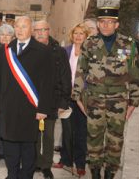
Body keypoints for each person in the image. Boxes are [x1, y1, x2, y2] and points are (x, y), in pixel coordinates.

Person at [72, 7, 139, 179]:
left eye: (110, 22)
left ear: (116, 24)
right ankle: (95, 172)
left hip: (118, 100)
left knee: (115, 140)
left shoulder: (128, 44)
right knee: (94, 138)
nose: (105, 25)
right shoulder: (90, 43)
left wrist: (133, 102)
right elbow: (81, 71)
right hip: (94, 99)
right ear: (98, 24)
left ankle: (110, 172)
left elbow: (135, 72)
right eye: (102, 22)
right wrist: (77, 97)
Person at [0, 16, 54, 179]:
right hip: (8, 107)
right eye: (17, 26)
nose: (19, 30)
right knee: (10, 145)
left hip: (30, 109)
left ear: (31, 30)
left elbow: (48, 83)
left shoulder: (42, 51)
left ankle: (26, 176)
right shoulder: (6, 50)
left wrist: (43, 109)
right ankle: (12, 174)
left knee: (27, 147)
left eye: (24, 27)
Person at [33, 20, 72, 179]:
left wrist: (64, 102)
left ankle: (46, 165)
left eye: (44, 30)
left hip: (51, 100)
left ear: (49, 31)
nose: (40, 33)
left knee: (48, 135)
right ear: (33, 32)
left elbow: (65, 76)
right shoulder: (28, 49)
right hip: (32, 99)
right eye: (37, 30)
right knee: (33, 134)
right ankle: (35, 161)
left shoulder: (59, 51)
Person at [54, 23, 90, 176]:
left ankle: (80, 163)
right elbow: (60, 73)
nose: (78, 36)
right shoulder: (65, 51)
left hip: (83, 98)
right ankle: (66, 159)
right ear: (72, 35)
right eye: (76, 33)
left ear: (86, 36)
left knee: (81, 131)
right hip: (67, 97)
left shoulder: (90, 52)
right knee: (66, 130)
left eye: (81, 33)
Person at [0, 24, 15, 163]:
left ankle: (10, 151)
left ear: (12, 37)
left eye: (8, 35)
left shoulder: (16, 51)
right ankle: (0, 151)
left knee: (11, 124)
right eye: (2, 34)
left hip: (11, 94)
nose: (5, 37)